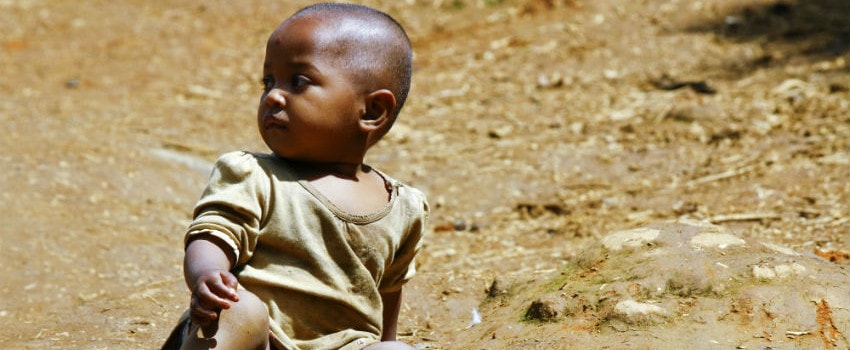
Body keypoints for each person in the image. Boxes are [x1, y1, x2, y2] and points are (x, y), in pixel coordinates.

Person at [161, 3, 428, 349]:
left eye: (298, 81)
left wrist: (386, 343)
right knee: (239, 310)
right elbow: (214, 234)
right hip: (257, 338)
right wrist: (208, 276)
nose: (272, 95)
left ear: (373, 111)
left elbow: (388, 294)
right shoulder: (254, 176)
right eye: (268, 81)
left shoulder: (404, 207)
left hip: (343, 345)